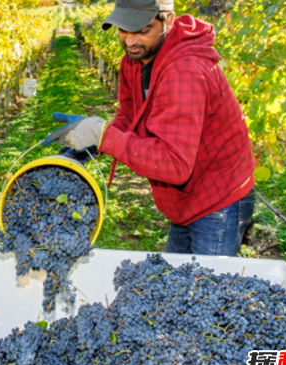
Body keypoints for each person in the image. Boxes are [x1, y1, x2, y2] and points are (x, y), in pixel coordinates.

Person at [42, 0, 256, 256]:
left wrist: (104, 136)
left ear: (169, 19)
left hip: (218, 197)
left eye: (142, 30)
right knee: (176, 282)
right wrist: (95, 144)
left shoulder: (185, 72)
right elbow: (129, 116)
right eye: (123, 29)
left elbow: (175, 164)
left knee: (204, 288)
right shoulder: (135, 60)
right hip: (183, 199)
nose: (130, 41)